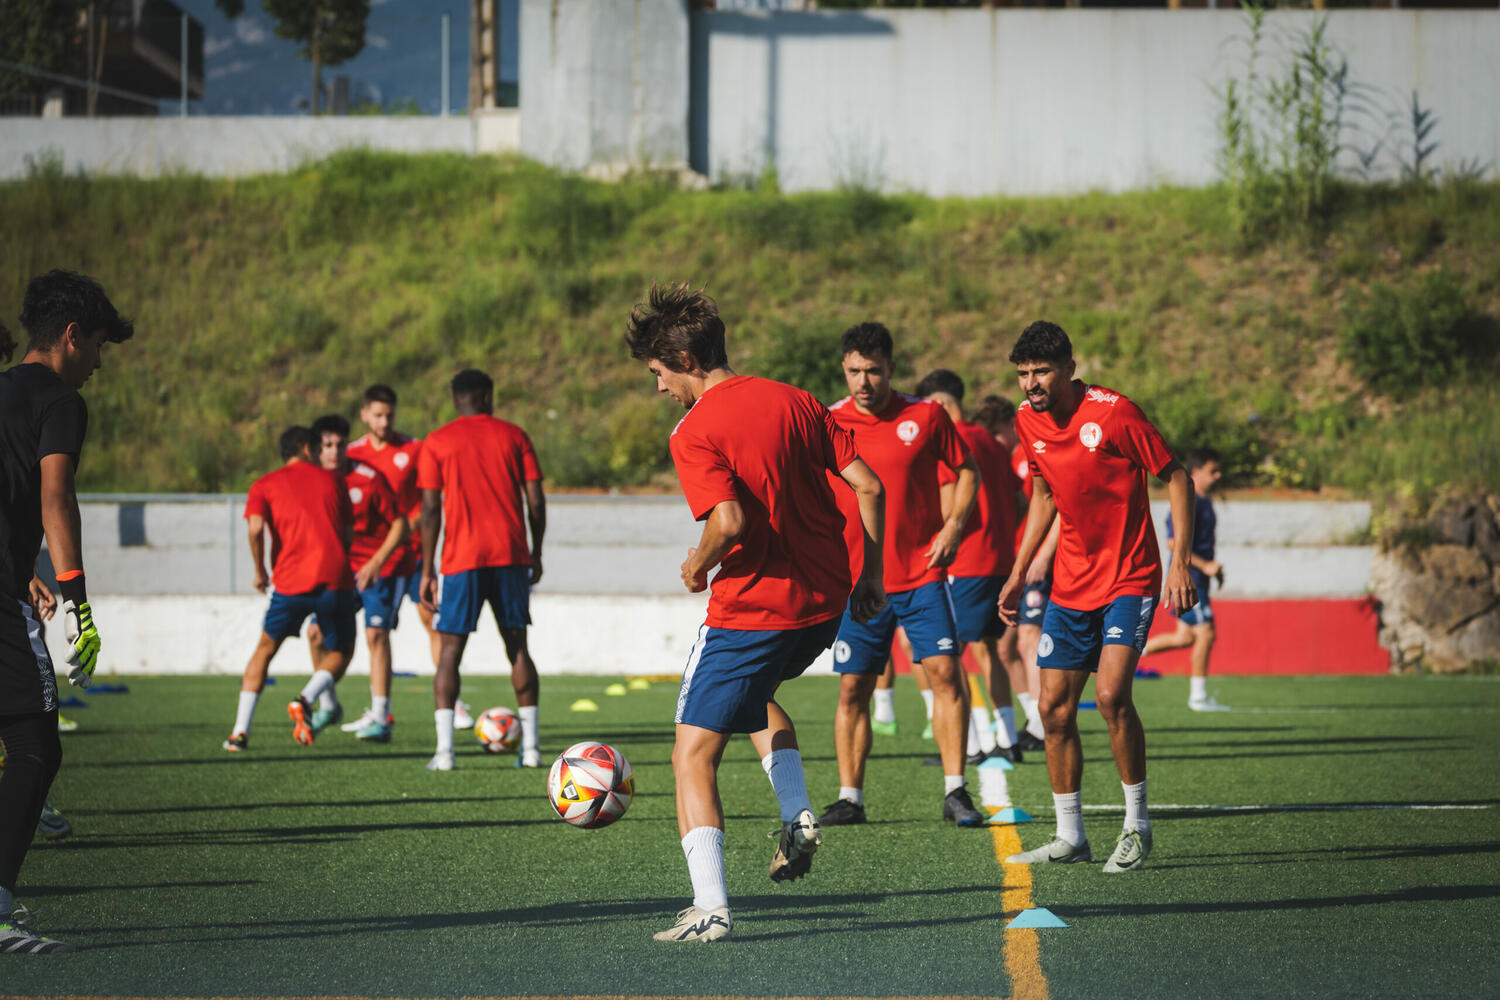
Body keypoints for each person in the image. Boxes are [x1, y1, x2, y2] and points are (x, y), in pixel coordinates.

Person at [626, 284, 886, 943]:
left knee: (690, 754)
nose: (659, 388)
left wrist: (698, 566)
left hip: (752, 609)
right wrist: (871, 577)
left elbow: (730, 520)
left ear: (684, 360)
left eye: (658, 373)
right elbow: (869, 485)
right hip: (824, 603)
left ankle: (710, 909)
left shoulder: (694, 431)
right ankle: (798, 816)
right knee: (754, 700)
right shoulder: (796, 399)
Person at [998, 321, 1197, 874]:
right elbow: (1043, 494)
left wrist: (1180, 559)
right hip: (1070, 583)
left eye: (1042, 372)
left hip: (1130, 577)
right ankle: (1071, 836)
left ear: (1069, 369)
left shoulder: (1114, 413)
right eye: (1023, 374)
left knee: (1110, 697)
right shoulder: (1026, 419)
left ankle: (1137, 826)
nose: (1031, 383)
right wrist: (1019, 570)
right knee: (1052, 709)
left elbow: (1177, 477)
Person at [0, 271, 133, 953]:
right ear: (72, 336)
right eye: (100, 346)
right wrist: (77, 602)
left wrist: (22, 571)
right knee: (35, 744)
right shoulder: (59, 400)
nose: (100, 363)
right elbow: (56, 497)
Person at [821, 322, 986, 829]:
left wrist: (953, 526)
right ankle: (850, 797)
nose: (863, 381)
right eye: (854, 371)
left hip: (921, 576)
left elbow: (967, 470)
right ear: (844, 369)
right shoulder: (828, 422)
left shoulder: (926, 415)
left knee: (946, 675)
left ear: (891, 368)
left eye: (873, 370)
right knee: (853, 688)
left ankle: (955, 790)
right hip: (858, 582)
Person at [417, 370, 545, 771]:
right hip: (510, 555)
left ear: (456, 399)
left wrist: (427, 569)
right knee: (517, 647)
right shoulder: (514, 436)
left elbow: (430, 510)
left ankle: (444, 754)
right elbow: (536, 501)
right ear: (488, 396)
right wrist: (536, 551)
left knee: (450, 652)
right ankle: (531, 751)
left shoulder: (437, 441)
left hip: (461, 560)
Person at [345, 386, 474, 736]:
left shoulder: (414, 449)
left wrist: (402, 532)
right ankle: (379, 712)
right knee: (374, 633)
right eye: (377, 415)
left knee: (432, 621)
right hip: (373, 561)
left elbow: (428, 501)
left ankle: (454, 703)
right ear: (364, 415)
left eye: (389, 415)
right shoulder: (351, 455)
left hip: (414, 552)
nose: (384, 422)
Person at [223, 426, 357, 751]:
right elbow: (348, 532)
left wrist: (260, 571)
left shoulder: (264, 485)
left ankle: (239, 733)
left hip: (290, 582)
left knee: (265, 649)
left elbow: (255, 528)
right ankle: (307, 699)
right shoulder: (335, 481)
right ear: (308, 449)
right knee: (341, 652)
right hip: (333, 579)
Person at [915, 370, 1023, 764]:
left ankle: (971, 744)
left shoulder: (951, 439)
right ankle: (1008, 738)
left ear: (939, 404)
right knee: (988, 650)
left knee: (945, 655)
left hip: (967, 562)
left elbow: (947, 508)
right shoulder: (991, 441)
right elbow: (1020, 500)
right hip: (999, 560)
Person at [305, 415, 410, 737]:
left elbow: (401, 525)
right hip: (338, 571)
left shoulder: (368, 478)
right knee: (315, 634)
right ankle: (329, 706)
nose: (334, 452)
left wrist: (376, 562)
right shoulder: (311, 480)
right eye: (327, 445)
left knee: (375, 635)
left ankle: (380, 716)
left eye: (340, 445)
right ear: (316, 449)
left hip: (379, 569)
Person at [971, 394, 1044, 753]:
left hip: (1032, 564)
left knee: (1028, 638)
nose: (994, 440)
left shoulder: (1027, 458)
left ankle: (1041, 724)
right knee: (1003, 647)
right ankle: (1032, 718)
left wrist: (1039, 555)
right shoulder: (1005, 458)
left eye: (997, 433)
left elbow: (1045, 507)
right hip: (1011, 564)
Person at [1141, 448, 1228, 711]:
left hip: (1200, 578)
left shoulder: (1206, 502)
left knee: (1185, 637)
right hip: (1189, 578)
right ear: (1196, 472)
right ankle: (1198, 697)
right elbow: (1171, 542)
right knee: (1206, 633)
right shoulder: (1188, 501)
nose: (1218, 476)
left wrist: (1212, 569)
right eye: (1213, 471)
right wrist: (1206, 566)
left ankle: (1127, 654)